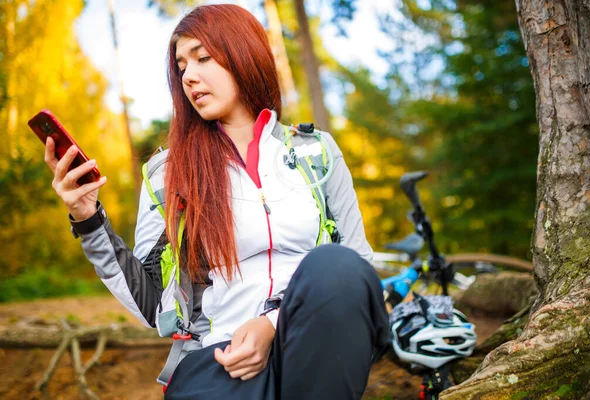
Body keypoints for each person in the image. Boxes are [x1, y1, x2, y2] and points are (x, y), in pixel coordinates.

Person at [45, 4, 388, 399]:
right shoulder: (167, 173)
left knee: (336, 266)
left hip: (317, 344)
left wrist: (272, 324)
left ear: (244, 54)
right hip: (218, 358)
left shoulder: (317, 153)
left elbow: (358, 269)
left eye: (203, 58)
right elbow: (152, 299)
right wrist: (88, 217)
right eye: (181, 65)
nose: (189, 76)